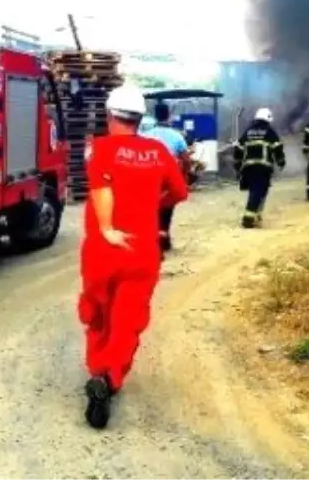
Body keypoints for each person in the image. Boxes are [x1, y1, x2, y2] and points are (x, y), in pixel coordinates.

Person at [79, 84, 189, 430]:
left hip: (103, 250)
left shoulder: (100, 149)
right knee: (127, 319)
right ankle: (110, 378)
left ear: (110, 116)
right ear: (140, 119)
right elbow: (180, 192)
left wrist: (110, 226)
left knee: (98, 312)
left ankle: (98, 368)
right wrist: (150, 206)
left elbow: (101, 189)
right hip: (141, 251)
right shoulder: (158, 151)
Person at [139, 101, 190, 253]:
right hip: (166, 177)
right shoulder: (176, 136)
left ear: (155, 116)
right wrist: (186, 174)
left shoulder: (144, 136)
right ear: (168, 115)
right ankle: (163, 238)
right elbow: (186, 159)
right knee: (167, 207)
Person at [233, 107, 286, 228]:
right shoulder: (269, 131)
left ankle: (256, 215)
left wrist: (237, 165)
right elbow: (277, 147)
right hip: (263, 167)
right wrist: (281, 161)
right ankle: (248, 217)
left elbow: (239, 149)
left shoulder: (248, 131)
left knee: (257, 191)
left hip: (248, 167)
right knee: (259, 191)